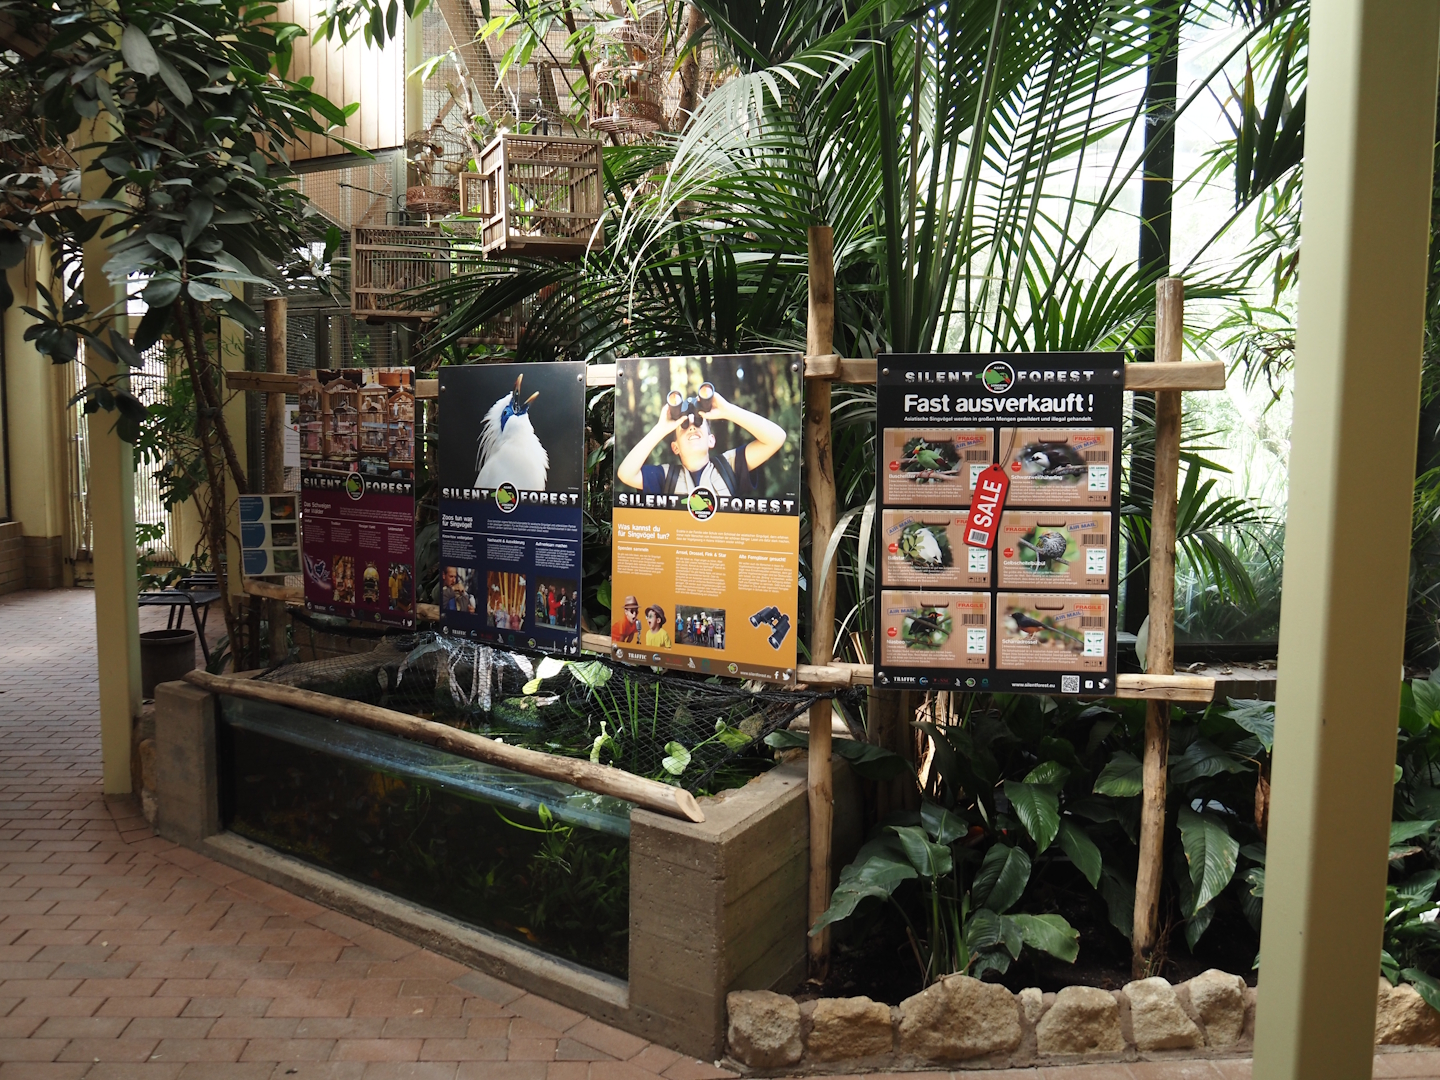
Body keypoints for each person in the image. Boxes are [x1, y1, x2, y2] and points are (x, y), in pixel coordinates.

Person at [617, 386, 787, 497]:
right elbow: (626, 473)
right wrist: (661, 429)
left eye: (698, 423)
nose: (692, 427)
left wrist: (727, 411)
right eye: (683, 426)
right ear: (675, 447)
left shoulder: (729, 465)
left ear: (711, 440)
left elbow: (776, 438)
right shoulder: (666, 477)